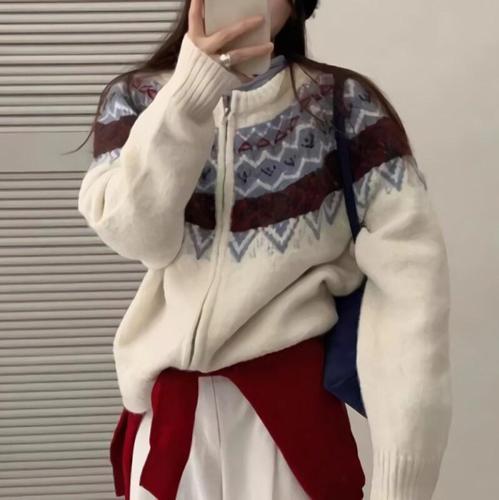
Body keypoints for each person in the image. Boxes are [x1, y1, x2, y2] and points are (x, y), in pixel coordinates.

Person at [76, 0, 453, 498]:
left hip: (289, 427)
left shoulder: (344, 107)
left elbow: (412, 295)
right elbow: (139, 236)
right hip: (172, 425)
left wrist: (401, 482)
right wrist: (190, 96)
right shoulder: (138, 98)